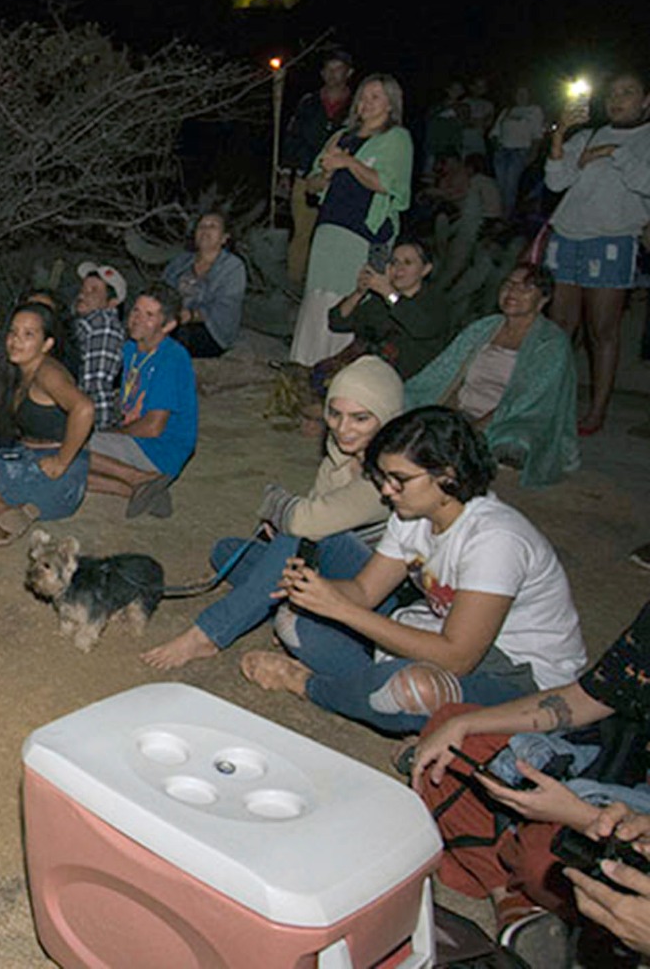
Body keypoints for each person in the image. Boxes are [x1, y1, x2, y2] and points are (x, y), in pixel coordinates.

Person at [239, 406, 587, 735]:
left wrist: (340, 609)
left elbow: (458, 657)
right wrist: (316, 591)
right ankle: (368, 692)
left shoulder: (495, 539)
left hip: (520, 675)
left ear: (447, 475)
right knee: (293, 621)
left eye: (399, 479)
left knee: (413, 691)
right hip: (437, 633)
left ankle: (311, 686)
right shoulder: (412, 516)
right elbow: (364, 591)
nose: (387, 490)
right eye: (382, 477)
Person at [409, 600, 650, 962]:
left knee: (547, 858)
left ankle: (525, 890)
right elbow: (587, 698)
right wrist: (465, 725)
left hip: (615, 814)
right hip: (624, 786)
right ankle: (512, 898)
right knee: (452, 738)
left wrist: (581, 816)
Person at [141, 356, 404, 670]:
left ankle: (209, 634)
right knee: (227, 552)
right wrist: (287, 519)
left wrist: (276, 503)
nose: (343, 428)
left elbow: (306, 521)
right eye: (335, 414)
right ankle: (276, 603)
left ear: (387, 419)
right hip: (330, 567)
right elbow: (312, 514)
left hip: (374, 592)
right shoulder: (340, 456)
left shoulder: (393, 475)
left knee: (296, 534)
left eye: (360, 418)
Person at [405, 264, 578, 489]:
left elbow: (531, 400)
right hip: (463, 411)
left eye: (525, 288)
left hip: (510, 420)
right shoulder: (483, 328)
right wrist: (451, 416)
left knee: (516, 444)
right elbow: (446, 375)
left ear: (543, 299)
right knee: (405, 404)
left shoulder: (550, 343)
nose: (513, 292)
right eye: (509, 284)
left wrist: (478, 426)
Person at [544, 70, 650, 436]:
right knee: (559, 329)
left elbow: (646, 183)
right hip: (567, 236)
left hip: (612, 240)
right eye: (613, 93)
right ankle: (547, 402)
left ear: (645, 100)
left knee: (602, 331)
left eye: (628, 92)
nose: (617, 99)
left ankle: (597, 411)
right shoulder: (589, 134)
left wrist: (613, 152)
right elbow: (556, 180)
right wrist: (561, 133)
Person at [0, 301, 94, 553]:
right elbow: (24, 413)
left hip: (53, 477)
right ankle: (14, 515)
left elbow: (84, 408)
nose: (16, 340)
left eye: (28, 334)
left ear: (47, 344)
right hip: (46, 474)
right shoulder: (23, 371)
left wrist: (61, 462)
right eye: (13, 332)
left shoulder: (48, 373)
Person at [289, 74, 415, 366]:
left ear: (389, 104)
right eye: (363, 96)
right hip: (329, 226)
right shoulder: (341, 136)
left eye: (376, 97)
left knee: (347, 297)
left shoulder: (396, 138)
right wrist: (325, 176)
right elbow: (312, 183)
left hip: (363, 231)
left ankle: (338, 372)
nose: (366, 103)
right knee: (316, 296)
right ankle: (304, 366)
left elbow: (389, 184)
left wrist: (348, 163)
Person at [84, 283, 198, 519]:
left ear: (167, 325)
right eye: (136, 310)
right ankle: (138, 489)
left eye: (149, 315)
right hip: (141, 442)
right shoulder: (130, 349)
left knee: (69, 445)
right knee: (63, 469)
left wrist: (111, 432)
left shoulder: (171, 358)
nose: (137, 319)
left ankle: (139, 478)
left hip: (161, 449)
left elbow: (153, 426)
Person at [321, 240, 448, 385]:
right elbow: (337, 322)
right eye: (394, 262)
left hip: (387, 383)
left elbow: (421, 327)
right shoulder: (380, 302)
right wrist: (359, 293)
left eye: (407, 263)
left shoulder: (434, 303)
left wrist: (388, 292)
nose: (398, 269)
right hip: (352, 369)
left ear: (425, 270)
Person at [282, 51, 354, 288]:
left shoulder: (359, 105)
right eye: (329, 69)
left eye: (339, 69)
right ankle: (294, 283)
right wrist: (286, 172)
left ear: (349, 72)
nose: (334, 75)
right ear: (322, 74)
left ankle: (328, 284)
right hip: (307, 177)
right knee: (302, 232)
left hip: (344, 180)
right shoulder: (309, 102)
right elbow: (293, 137)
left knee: (335, 236)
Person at [162, 210, 247, 357]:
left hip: (209, 329)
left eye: (213, 226)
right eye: (201, 226)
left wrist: (190, 315)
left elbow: (225, 306)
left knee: (175, 340)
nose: (205, 230)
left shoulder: (233, 267)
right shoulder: (181, 261)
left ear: (224, 237)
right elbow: (162, 288)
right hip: (175, 320)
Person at [70, 261, 126, 430]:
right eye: (83, 289)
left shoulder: (103, 324)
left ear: (112, 302)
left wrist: (95, 431)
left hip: (88, 424)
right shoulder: (86, 323)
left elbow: (96, 383)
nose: (83, 294)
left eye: (94, 290)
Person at [490, 86, 546, 217]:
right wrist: (496, 145)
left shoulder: (534, 110)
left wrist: (533, 153)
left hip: (519, 151)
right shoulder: (507, 111)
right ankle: (496, 214)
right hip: (502, 151)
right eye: (518, 93)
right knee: (499, 185)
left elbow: (537, 134)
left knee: (510, 185)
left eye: (524, 93)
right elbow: (495, 132)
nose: (521, 96)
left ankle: (506, 216)